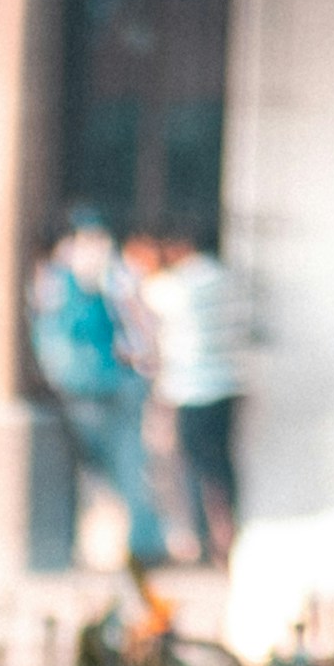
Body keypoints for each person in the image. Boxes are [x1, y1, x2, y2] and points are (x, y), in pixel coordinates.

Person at [28, 213, 166, 562]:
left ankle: (142, 544)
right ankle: (139, 544)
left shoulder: (69, 279)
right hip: (99, 385)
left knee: (120, 466)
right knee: (121, 467)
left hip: (94, 386)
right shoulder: (100, 276)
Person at [137, 231, 248, 565]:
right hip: (227, 384)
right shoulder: (227, 280)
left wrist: (150, 266)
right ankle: (227, 534)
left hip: (193, 388)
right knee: (222, 464)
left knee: (197, 467)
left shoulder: (182, 285)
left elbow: (148, 293)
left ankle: (207, 540)